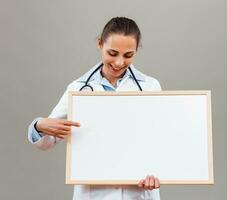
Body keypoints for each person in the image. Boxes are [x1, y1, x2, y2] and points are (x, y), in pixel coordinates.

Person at [28, 17, 162, 200]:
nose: (119, 62)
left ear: (136, 50)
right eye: (112, 53)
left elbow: (160, 141)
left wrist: (157, 171)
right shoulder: (78, 88)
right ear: (100, 43)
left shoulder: (150, 87)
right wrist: (38, 125)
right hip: (94, 194)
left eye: (128, 55)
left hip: (138, 192)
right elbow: (48, 140)